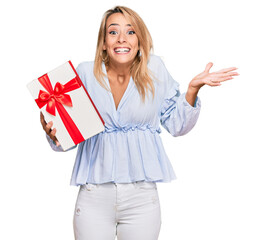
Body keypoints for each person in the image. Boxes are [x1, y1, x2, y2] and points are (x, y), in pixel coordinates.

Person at [40, 5, 239, 240]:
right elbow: (67, 139)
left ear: (140, 41)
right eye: (113, 32)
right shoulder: (84, 73)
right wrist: (54, 134)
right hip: (94, 194)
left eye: (131, 32)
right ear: (103, 42)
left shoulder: (155, 70)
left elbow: (177, 126)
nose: (122, 38)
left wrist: (192, 90)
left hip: (142, 197)